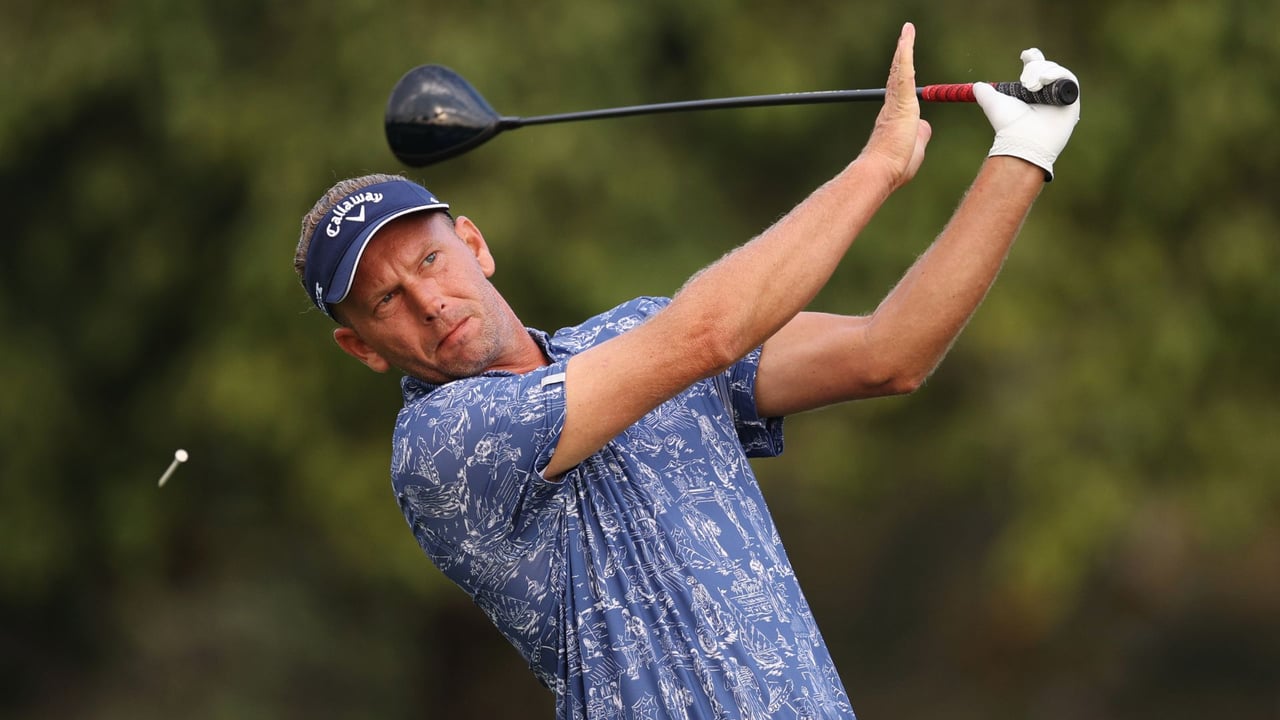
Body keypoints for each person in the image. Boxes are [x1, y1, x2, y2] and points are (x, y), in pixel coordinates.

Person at [294, 24, 1078, 720]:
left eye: (432, 259)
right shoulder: (440, 443)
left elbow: (888, 353)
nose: (429, 301)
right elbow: (704, 334)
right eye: (386, 300)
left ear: (476, 244)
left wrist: (1022, 154)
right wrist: (875, 166)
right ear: (361, 347)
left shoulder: (635, 333)